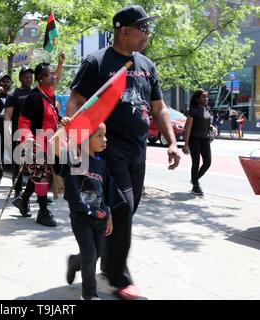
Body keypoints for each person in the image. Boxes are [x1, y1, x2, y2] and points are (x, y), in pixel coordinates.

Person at [66, 5, 181, 299]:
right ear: (124, 30)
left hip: (137, 151)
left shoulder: (147, 65)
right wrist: (79, 144)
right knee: (123, 208)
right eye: (143, 28)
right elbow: (76, 101)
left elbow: (158, 107)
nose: (147, 33)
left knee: (121, 213)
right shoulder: (97, 62)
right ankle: (120, 277)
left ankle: (84, 260)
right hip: (108, 149)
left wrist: (171, 141)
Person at [51, 121, 115, 300]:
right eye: (100, 136)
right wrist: (63, 127)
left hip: (100, 217)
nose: (105, 140)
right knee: (90, 255)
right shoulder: (74, 159)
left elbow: (106, 193)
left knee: (97, 254)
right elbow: (52, 145)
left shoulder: (102, 164)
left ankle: (74, 261)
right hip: (80, 217)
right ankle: (89, 295)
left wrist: (108, 216)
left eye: (105, 135)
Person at [13, 62, 61, 227]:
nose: (54, 76)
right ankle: (43, 211)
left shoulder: (50, 93)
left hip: (50, 142)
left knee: (40, 173)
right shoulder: (35, 96)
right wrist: (28, 139)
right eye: (50, 74)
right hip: (36, 142)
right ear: (41, 78)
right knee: (41, 174)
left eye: (54, 73)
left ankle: (23, 201)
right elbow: (24, 121)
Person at [4, 66, 35, 198]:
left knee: (36, 164)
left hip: (35, 134)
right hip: (19, 133)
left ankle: (36, 193)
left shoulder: (36, 93)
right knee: (18, 163)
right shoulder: (13, 94)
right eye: (26, 77)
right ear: (20, 78)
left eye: (30, 77)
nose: (28, 79)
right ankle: (18, 191)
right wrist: (7, 133)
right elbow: (7, 116)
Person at [182, 89, 212, 196]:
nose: (206, 99)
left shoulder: (206, 109)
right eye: (203, 97)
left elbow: (206, 121)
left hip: (205, 139)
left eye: (207, 97)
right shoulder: (193, 110)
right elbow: (188, 128)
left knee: (208, 162)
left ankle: (194, 179)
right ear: (197, 99)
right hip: (194, 139)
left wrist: (212, 127)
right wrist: (185, 144)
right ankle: (195, 186)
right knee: (196, 163)